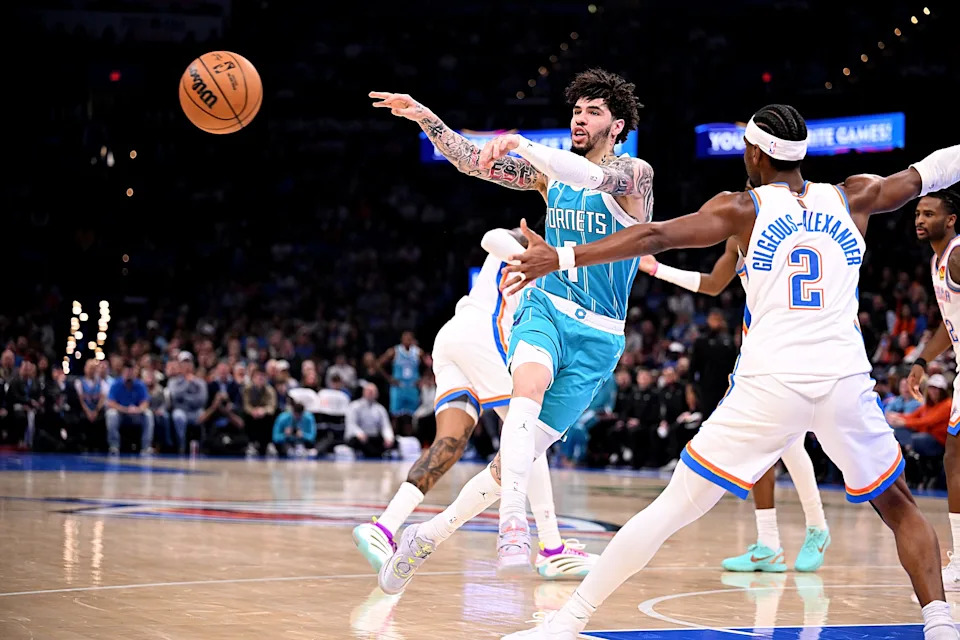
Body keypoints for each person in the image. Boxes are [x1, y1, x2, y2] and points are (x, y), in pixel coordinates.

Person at [499, 105, 960, 639]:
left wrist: (562, 257)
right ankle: (940, 623)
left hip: (770, 384)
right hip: (844, 382)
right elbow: (931, 170)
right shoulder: (854, 195)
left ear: (756, 152)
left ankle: (566, 623)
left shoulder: (742, 208)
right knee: (900, 506)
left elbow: (652, 237)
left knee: (672, 508)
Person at [370, 67, 653, 577]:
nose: (580, 119)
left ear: (617, 127)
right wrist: (425, 117)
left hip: (600, 335)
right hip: (546, 308)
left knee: (511, 464)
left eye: (593, 112)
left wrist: (523, 143)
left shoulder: (635, 175)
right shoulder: (550, 178)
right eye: (576, 110)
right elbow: (470, 161)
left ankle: (425, 536)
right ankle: (513, 524)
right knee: (528, 384)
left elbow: (591, 177)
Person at [355, 229, 598, 582]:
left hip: (453, 339)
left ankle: (383, 528)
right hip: (483, 332)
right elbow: (492, 237)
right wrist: (539, 258)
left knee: (449, 443)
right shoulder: (527, 251)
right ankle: (551, 548)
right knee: (527, 432)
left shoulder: (552, 278)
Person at [639, 239, 830, 572]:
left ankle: (815, 526)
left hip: (794, 349)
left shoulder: (793, 234)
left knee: (789, 443)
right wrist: (656, 268)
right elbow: (713, 284)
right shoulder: (741, 237)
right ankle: (772, 542)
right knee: (773, 447)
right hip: (760, 353)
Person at [905, 188, 960, 590]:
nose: (921, 220)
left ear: (951, 220)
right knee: (954, 457)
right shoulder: (938, 261)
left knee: (955, 457)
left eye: (929, 213)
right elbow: (947, 321)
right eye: (918, 214)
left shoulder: (957, 256)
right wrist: (922, 362)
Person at [104, 361, 154, 455]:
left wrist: (138, 409)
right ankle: (114, 446)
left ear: (134, 373)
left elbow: (145, 403)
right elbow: (111, 403)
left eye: (131, 372)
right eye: (127, 372)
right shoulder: (116, 384)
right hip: (121, 414)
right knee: (111, 414)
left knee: (148, 414)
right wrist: (125, 409)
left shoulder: (140, 385)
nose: (129, 375)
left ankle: (146, 447)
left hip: (136, 415)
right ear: (123, 372)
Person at [378, 331, 427, 418]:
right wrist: (389, 378)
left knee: (413, 416)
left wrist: (422, 379)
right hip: (398, 387)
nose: (408, 340)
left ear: (412, 340)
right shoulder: (394, 351)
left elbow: (429, 365)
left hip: (412, 387)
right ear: (401, 339)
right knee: (395, 415)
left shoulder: (418, 352)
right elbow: (379, 364)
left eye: (409, 338)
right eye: (406, 338)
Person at [345, 383, 395, 458]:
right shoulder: (354, 406)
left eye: (373, 391)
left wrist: (389, 438)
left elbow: (386, 426)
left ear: (377, 394)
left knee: (393, 442)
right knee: (360, 442)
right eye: (369, 391)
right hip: (358, 437)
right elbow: (351, 424)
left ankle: (376, 453)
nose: (371, 393)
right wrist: (359, 434)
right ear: (363, 392)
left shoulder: (380, 409)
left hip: (373, 437)